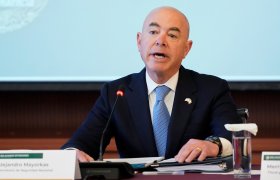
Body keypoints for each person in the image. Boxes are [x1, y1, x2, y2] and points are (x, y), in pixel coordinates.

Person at [61, 6, 241, 163]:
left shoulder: (211, 89)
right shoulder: (115, 93)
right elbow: (81, 143)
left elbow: (233, 137)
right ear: (139, 41)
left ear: (187, 48)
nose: (160, 41)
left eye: (172, 35)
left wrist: (212, 145)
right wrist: (72, 153)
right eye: (153, 32)